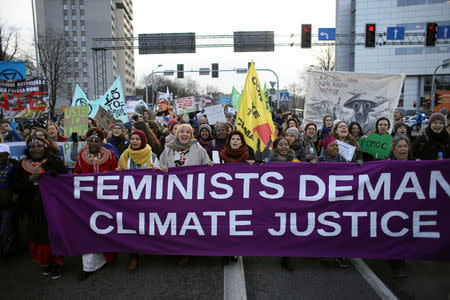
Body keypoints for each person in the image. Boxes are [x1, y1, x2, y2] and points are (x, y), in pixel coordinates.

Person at [159, 124, 213, 266]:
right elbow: (160, 165)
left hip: (191, 193)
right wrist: (162, 168)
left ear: (191, 135)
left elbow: (207, 165)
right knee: (175, 221)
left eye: (187, 132)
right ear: (176, 134)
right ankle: (175, 248)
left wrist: (211, 165)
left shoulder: (197, 148)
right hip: (173, 192)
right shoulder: (168, 148)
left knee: (189, 222)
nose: (184, 134)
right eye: (181, 131)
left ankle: (187, 251)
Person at [14, 137, 68, 279]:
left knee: (52, 235)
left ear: (45, 147)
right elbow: (17, 186)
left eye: (39, 146)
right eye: (32, 147)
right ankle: (45, 262)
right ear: (28, 149)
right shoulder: (22, 165)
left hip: (52, 207)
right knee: (38, 236)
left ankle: (56, 264)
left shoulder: (54, 162)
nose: (36, 149)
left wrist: (55, 178)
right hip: (33, 209)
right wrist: (29, 180)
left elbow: (65, 181)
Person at [73, 128, 118, 281]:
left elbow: (116, 175)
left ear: (101, 143)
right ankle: (89, 266)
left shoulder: (110, 156)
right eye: (90, 141)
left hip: (106, 200)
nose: (93, 143)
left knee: (105, 228)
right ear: (87, 143)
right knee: (88, 230)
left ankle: (107, 257)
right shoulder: (81, 156)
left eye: (96, 141)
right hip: (86, 201)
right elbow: (76, 174)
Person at [116, 129, 157, 273]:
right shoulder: (124, 156)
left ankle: (151, 248)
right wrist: (118, 172)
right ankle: (134, 256)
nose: (134, 141)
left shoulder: (152, 156)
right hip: (131, 199)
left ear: (143, 141)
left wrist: (158, 170)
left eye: (137, 139)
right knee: (132, 227)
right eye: (132, 139)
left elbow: (161, 178)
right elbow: (119, 178)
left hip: (149, 199)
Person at [264, 136, 299, 271]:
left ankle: (286, 256)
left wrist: (312, 164)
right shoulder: (269, 161)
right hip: (274, 200)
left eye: (286, 145)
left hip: (290, 199)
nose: (284, 147)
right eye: (281, 145)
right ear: (276, 147)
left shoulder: (295, 160)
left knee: (287, 227)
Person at [385, 136, 413, 278]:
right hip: (392, 206)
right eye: (400, 146)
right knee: (396, 232)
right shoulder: (387, 164)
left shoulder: (416, 164)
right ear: (394, 149)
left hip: (410, 204)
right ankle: (396, 265)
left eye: (405, 146)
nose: (403, 149)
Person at [0, 144, 19, 257]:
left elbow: (17, 181)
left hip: (8, 200)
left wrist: (15, 195)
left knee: (6, 227)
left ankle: (6, 250)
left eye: (2, 156)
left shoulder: (13, 164)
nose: (0, 158)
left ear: (7, 154)